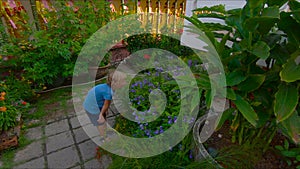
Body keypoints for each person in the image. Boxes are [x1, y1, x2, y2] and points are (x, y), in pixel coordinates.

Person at [83, 70, 126, 141]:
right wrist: (101, 115)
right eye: (123, 81)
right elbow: (106, 105)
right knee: (100, 123)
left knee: (103, 120)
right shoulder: (108, 92)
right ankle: (103, 138)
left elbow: (106, 104)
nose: (125, 83)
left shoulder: (108, 88)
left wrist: (104, 111)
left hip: (96, 104)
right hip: (92, 108)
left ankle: (105, 130)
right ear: (115, 83)